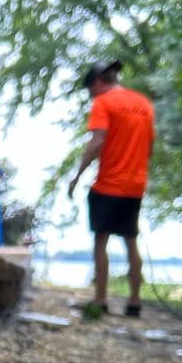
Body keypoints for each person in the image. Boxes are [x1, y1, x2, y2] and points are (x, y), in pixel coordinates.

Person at [68, 61, 155, 317]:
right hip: (135, 186)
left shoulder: (103, 103)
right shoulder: (143, 104)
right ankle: (135, 302)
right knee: (131, 241)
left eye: (90, 90)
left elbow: (97, 142)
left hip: (108, 184)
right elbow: (149, 147)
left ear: (97, 82)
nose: (91, 96)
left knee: (100, 241)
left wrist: (76, 177)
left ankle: (101, 299)